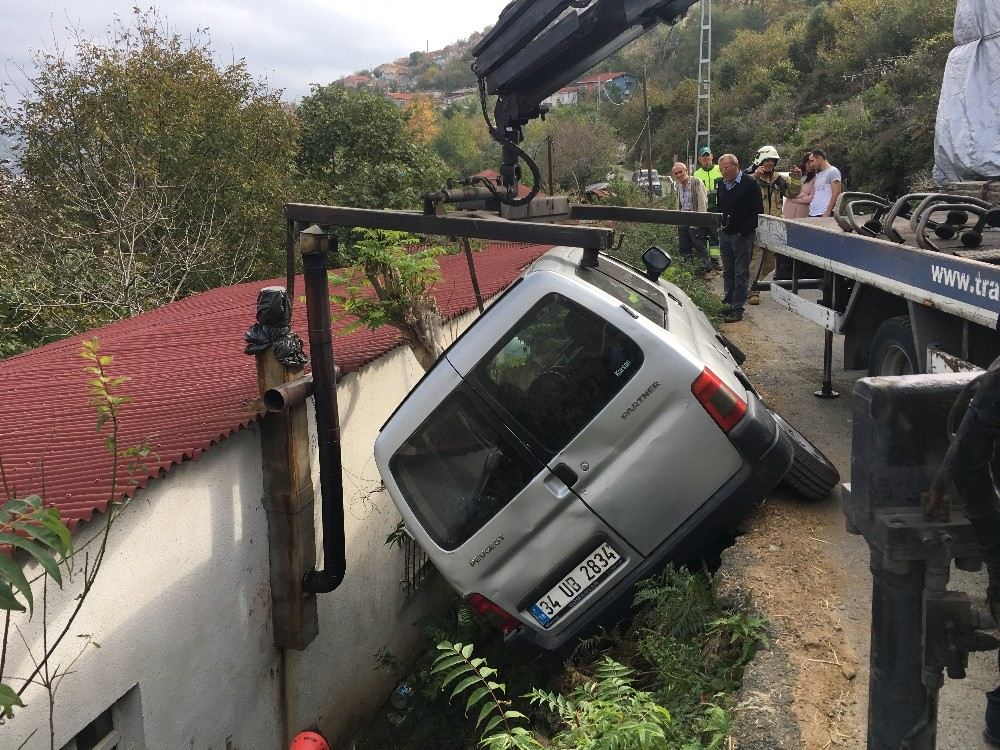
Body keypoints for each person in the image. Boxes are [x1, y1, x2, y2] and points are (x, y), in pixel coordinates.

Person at [716, 153, 763, 323]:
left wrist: (744, 231)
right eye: (721, 169)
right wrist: (720, 228)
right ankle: (727, 303)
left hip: (742, 235)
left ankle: (737, 308)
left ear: (736, 166)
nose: (724, 172)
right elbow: (720, 207)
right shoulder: (721, 184)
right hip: (725, 234)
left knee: (741, 272)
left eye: (726, 168)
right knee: (728, 271)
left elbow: (758, 211)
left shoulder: (750, 184)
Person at [746, 145, 790, 303]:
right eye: (767, 160)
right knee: (756, 258)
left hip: (775, 225)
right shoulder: (749, 177)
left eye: (773, 161)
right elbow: (740, 190)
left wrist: (797, 178)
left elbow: (794, 193)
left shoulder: (780, 179)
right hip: (757, 224)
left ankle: (752, 285)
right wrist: (754, 177)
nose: (770, 163)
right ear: (759, 161)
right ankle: (752, 291)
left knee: (771, 262)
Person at [671, 162, 711, 273]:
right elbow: (678, 204)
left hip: (695, 218)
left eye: (680, 172)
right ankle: (688, 269)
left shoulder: (696, 182)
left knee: (699, 244)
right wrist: (676, 221)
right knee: (684, 246)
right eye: (676, 173)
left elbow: (703, 203)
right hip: (683, 218)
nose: (679, 175)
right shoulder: (678, 186)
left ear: (686, 171)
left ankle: (706, 269)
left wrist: (699, 221)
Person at [693, 146, 723, 254]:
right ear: (699, 160)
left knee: (715, 235)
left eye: (707, 156)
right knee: (702, 235)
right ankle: (705, 262)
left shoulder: (720, 169)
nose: (706, 159)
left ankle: (715, 261)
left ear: (712, 157)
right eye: (703, 157)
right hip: (702, 209)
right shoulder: (696, 174)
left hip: (717, 208)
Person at [807, 148, 843, 218]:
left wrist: (828, 211)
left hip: (824, 214)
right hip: (813, 213)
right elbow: (814, 194)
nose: (811, 164)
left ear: (819, 159)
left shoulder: (833, 171)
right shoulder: (818, 175)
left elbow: (837, 193)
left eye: (812, 161)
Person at [783, 151, 816, 220]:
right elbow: (788, 191)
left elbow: (811, 198)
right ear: (804, 162)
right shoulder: (795, 174)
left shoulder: (815, 178)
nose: (810, 165)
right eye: (808, 163)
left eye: (812, 163)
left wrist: (794, 199)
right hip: (789, 207)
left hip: (802, 210)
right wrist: (803, 194)